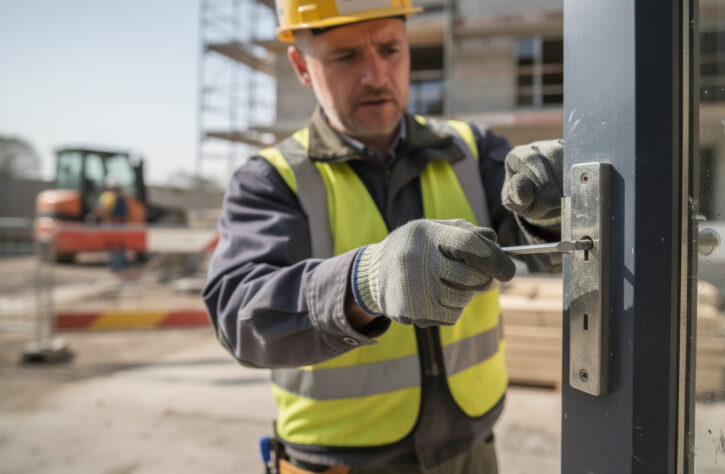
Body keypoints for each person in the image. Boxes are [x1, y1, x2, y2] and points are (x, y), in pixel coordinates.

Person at [202, 1, 564, 472]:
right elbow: (239, 316)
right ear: (301, 66)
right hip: (345, 461)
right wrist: (361, 284)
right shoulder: (271, 180)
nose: (376, 74)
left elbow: (541, 246)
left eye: (390, 49)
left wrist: (552, 207)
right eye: (346, 57)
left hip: (472, 449)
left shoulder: (470, 148)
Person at [92, 176, 128, 273]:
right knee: (119, 247)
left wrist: (98, 214)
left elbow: (101, 210)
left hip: (111, 225)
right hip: (120, 225)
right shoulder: (122, 197)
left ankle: (115, 268)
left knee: (114, 247)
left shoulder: (108, 196)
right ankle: (119, 267)